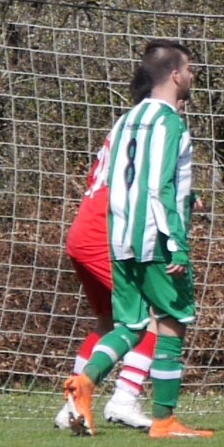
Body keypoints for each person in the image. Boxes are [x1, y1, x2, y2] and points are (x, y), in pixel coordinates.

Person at [64, 39, 213, 439]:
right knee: (173, 321)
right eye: (190, 69)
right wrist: (177, 243)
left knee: (129, 324)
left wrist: (188, 197)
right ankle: (163, 420)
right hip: (155, 241)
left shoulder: (125, 120)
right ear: (176, 75)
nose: (193, 76)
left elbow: (124, 181)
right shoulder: (170, 123)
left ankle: (85, 382)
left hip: (120, 238)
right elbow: (159, 186)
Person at [51, 128, 158, 431]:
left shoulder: (124, 125)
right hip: (104, 234)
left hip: (83, 229)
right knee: (154, 313)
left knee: (108, 322)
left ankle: (71, 407)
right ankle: (125, 398)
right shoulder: (153, 124)